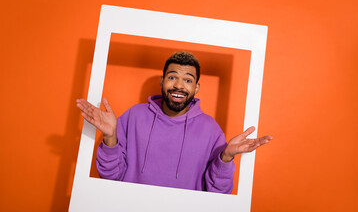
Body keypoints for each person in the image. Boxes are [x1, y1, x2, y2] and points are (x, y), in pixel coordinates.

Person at [76, 51, 272, 194]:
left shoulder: (211, 130)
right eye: (172, 77)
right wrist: (110, 137)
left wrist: (226, 157)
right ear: (162, 82)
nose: (179, 85)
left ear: (196, 88)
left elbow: (218, 194)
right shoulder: (134, 116)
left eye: (188, 80)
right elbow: (110, 178)